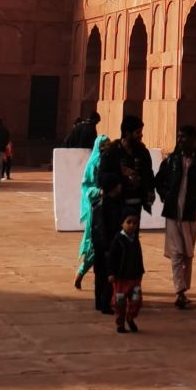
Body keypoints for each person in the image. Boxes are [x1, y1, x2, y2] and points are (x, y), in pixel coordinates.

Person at [92, 115, 155, 315]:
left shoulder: (142, 153)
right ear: (127, 133)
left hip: (133, 210)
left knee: (128, 253)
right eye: (137, 132)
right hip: (113, 211)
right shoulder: (112, 153)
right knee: (110, 253)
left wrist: (147, 189)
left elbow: (148, 176)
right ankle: (104, 300)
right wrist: (121, 179)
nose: (140, 135)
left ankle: (121, 297)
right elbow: (102, 177)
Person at [155, 124, 196, 309]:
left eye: (184, 137)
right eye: (178, 136)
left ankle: (183, 289)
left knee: (188, 253)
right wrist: (165, 194)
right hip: (172, 213)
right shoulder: (172, 160)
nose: (180, 140)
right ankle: (179, 291)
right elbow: (158, 180)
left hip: (189, 214)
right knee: (177, 253)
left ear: (193, 139)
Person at [74, 132, 107, 290]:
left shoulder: (110, 162)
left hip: (110, 207)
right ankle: (82, 271)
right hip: (97, 208)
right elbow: (87, 187)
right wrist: (100, 192)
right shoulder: (93, 163)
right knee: (95, 244)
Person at [107, 212, 145, 333]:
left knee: (136, 300)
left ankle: (130, 318)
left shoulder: (135, 240)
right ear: (122, 223)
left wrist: (140, 272)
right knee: (120, 302)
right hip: (121, 278)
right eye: (128, 222)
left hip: (134, 278)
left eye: (135, 223)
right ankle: (120, 324)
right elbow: (111, 258)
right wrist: (111, 273)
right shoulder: (118, 240)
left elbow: (139, 257)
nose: (132, 225)